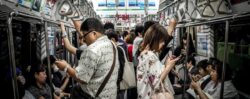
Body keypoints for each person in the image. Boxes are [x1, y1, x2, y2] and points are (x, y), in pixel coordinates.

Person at [55, 18, 119, 99]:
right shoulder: (111, 44)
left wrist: (66, 67)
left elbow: (81, 78)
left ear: (94, 33)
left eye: (84, 35)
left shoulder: (92, 50)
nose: (84, 39)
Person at [137, 23, 180, 99]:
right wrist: (168, 67)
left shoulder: (146, 54)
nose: (163, 43)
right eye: (162, 40)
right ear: (155, 39)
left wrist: (166, 65)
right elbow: (156, 83)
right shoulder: (149, 56)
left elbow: (152, 76)